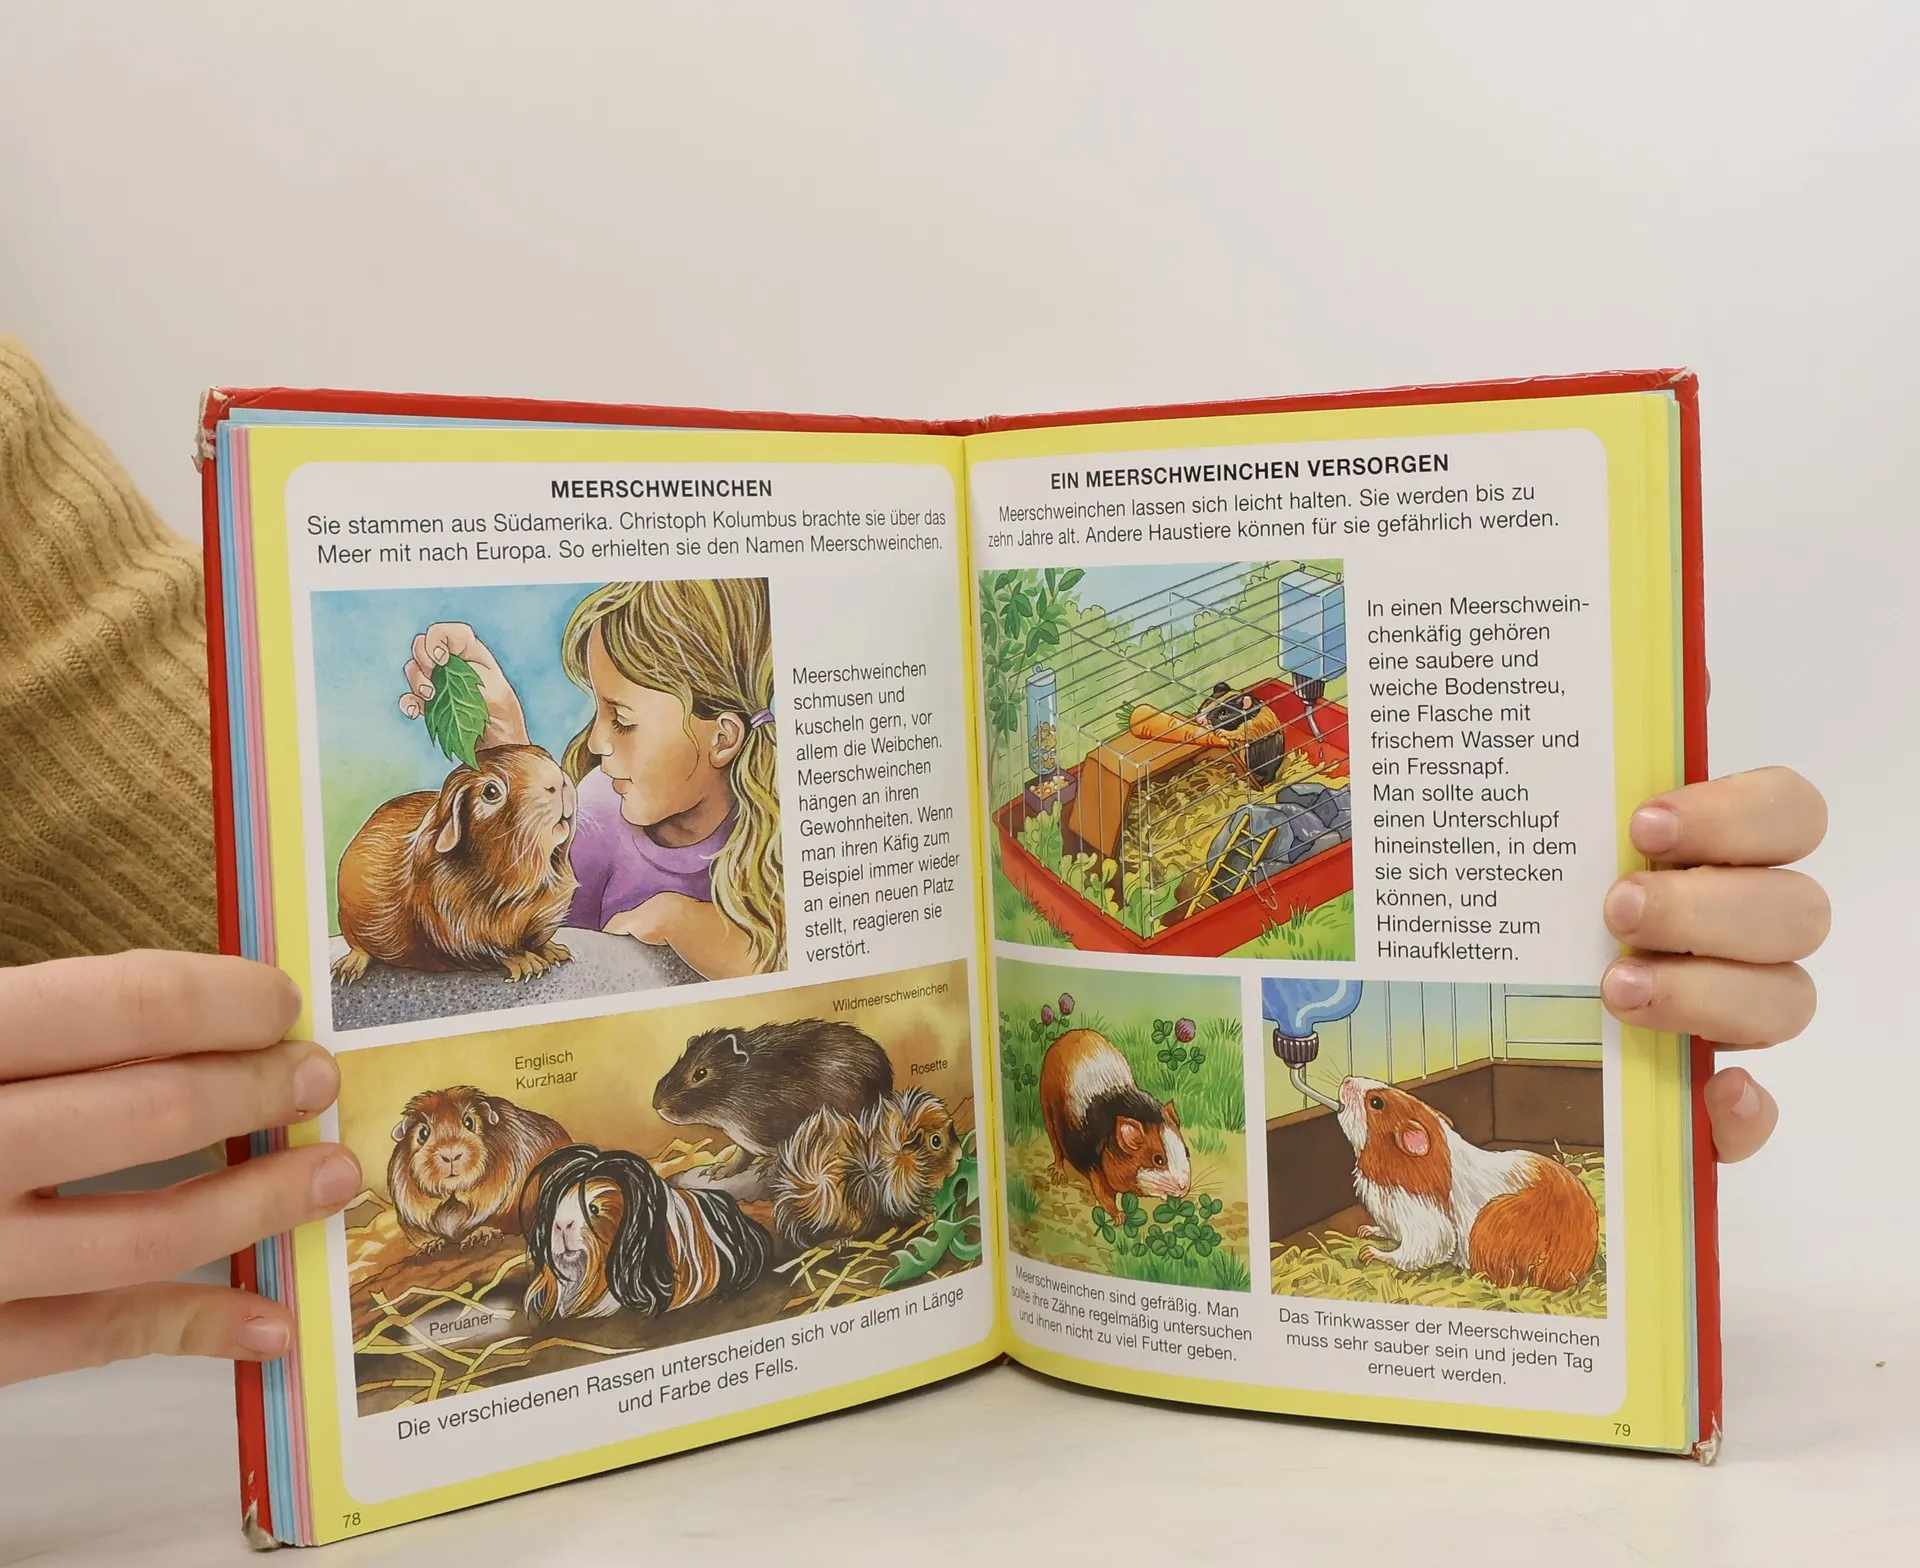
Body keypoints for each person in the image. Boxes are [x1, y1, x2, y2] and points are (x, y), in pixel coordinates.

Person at [0, 340, 1831, 1383]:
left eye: (616, 727)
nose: (586, 766)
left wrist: (1576, 839)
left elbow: (140, 768)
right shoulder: (606, 828)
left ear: (726, 736)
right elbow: (426, 870)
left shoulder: (690, 854)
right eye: (585, 735)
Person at [396, 577, 784, 979]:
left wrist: (678, 919)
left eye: (623, 720)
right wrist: (509, 749)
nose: (597, 742)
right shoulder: (600, 812)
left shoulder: (777, 818)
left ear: (722, 739)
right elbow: (525, 929)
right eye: (597, 711)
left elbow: (784, 955)